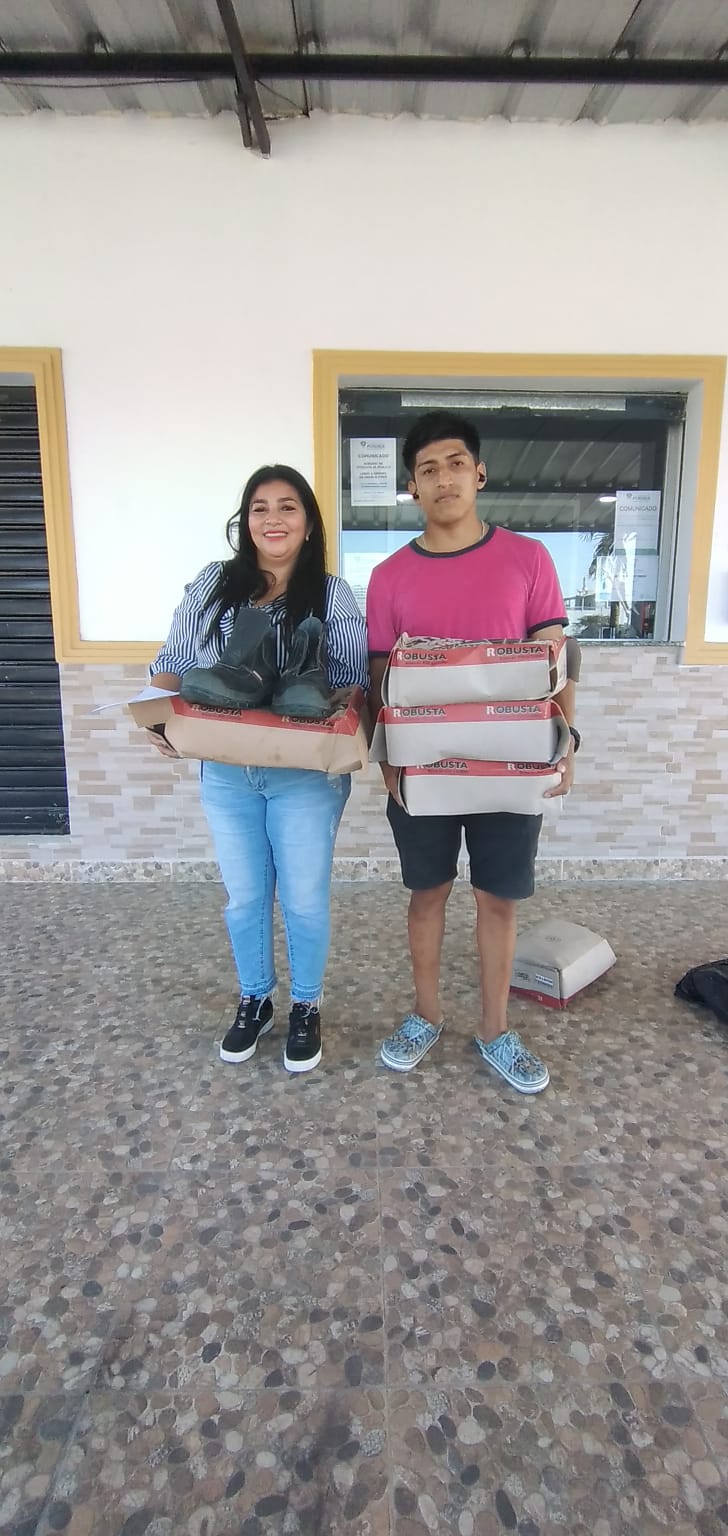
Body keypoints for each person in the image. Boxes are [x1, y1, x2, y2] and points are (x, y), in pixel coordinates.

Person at [366, 412, 577, 1093]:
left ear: (479, 473)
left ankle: (495, 1029)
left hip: (512, 767)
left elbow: (558, 663)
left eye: (456, 463)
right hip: (422, 770)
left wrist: (564, 745)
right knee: (427, 894)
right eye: (428, 469)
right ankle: (425, 1015)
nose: (444, 478)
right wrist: (388, 763)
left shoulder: (528, 559)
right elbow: (378, 679)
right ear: (413, 487)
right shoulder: (389, 576)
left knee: (498, 899)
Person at [148, 465, 368, 1074]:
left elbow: (351, 684)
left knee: (303, 900)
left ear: (309, 522)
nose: (273, 519)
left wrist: (319, 702)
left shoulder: (332, 595)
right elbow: (174, 659)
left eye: (288, 506)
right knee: (244, 898)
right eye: (260, 508)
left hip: (305, 774)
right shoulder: (215, 583)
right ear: (245, 521)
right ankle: (255, 999)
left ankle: (306, 1004)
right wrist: (159, 719)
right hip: (226, 770)